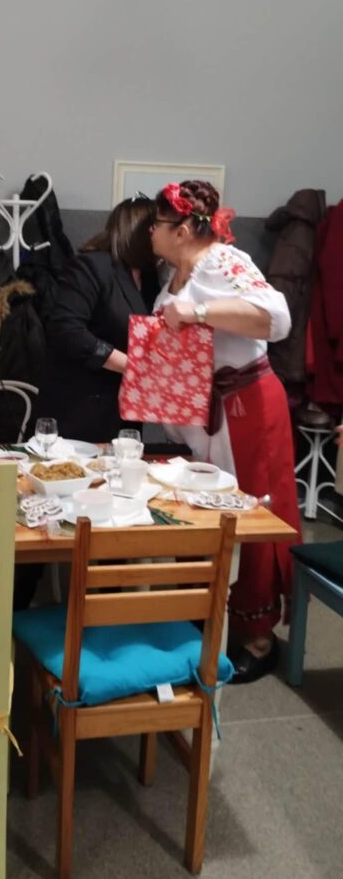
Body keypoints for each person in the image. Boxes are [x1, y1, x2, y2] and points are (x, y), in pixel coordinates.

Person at [150, 179, 301, 682]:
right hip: (207, 411)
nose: (151, 232)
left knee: (252, 515)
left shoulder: (224, 262)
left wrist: (196, 312)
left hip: (247, 404)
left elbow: (276, 318)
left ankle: (258, 636)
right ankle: (208, 614)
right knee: (206, 513)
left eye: (157, 224)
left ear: (182, 229)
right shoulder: (174, 275)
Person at [36, 196, 159, 442]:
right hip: (79, 406)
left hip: (124, 409)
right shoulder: (92, 266)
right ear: (140, 231)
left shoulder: (151, 278)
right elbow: (67, 330)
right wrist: (129, 364)